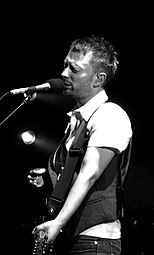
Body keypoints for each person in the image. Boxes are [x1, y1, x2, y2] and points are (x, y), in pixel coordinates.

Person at [32, 34, 133, 255]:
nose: (63, 74)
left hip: (95, 241)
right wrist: (47, 181)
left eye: (74, 70)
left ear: (98, 79)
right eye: (65, 66)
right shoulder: (78, 120)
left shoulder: (110, 115)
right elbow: (73, 174)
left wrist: (58, 222)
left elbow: (90, 173)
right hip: (73, 237)